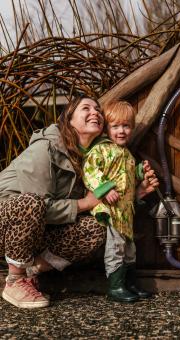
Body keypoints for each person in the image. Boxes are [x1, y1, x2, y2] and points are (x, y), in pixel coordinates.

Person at [0, 96, 106, 309]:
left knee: (95, 228)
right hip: (6, 224)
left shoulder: (89, 159)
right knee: (31, 203)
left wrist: (138, 192)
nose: (95, 112)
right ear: (68, 120)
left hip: (33, 233)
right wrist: (84, 203)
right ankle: (15, 280)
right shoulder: (44, 149)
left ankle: (31, 273)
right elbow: (39, 208)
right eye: (86, 108)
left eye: (98, 109)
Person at [82, 100, 159, 303]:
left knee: (129, 250)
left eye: (126, 126)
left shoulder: (127, 155)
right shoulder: (101, 150)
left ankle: (129, 284)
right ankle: (115, 287)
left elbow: (128, 180)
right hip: (111, 210)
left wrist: (140, 173)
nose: (121, 131)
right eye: (115, 126)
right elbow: (90, 171)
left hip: (125, 212)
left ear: (131, 128)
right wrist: (104, 190)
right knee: (115, 248)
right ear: (106, 128)